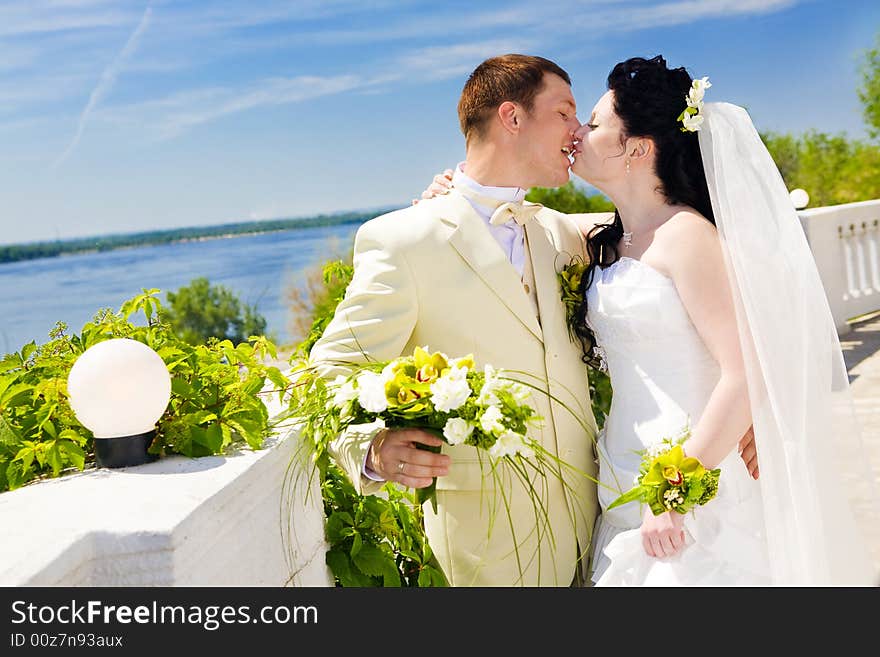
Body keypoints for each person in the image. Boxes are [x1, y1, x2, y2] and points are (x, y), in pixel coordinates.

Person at [423, 55, 879, 585]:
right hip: (622, 469)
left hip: (692, 475)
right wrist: (455, 197)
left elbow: (743, 372)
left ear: (637, 148)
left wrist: (675, 489)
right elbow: (507, 226)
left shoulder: (687, 238)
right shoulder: (607, 240)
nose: (577, 134)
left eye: (593, 124)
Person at [309, 55, 607, 586]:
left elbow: (652, 224)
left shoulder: (558, 234)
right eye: (564, 112)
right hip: (485, 538)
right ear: (512, 118)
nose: (577, 130)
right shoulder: (404, 240)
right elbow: (331, 367)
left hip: (595, 523)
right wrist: (374, 449)